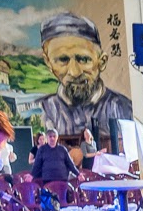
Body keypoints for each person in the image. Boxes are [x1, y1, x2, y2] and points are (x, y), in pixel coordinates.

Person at [37, 12, 133, 143]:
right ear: (48, 63)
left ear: (102, 61)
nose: (74, 72)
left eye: (83, 59)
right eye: (63, 60)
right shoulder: (43, 111)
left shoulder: (124, 110)